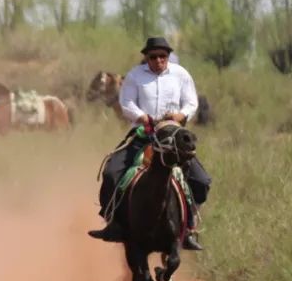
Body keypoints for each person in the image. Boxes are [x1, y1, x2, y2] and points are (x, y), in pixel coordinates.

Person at [89, 36, 210, 250]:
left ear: (168, 56)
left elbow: (191, 102)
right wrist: (142, 116)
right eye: (153, 57)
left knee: (201, 181)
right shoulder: (135, 76)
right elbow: (126, 102)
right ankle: (114, 223)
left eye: (163, 56)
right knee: (111, 174)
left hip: (173, 137)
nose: (158, 60)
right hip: (144, 135)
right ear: (146, 57)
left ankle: (188, 227)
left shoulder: (181, 75)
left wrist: (181, 115)